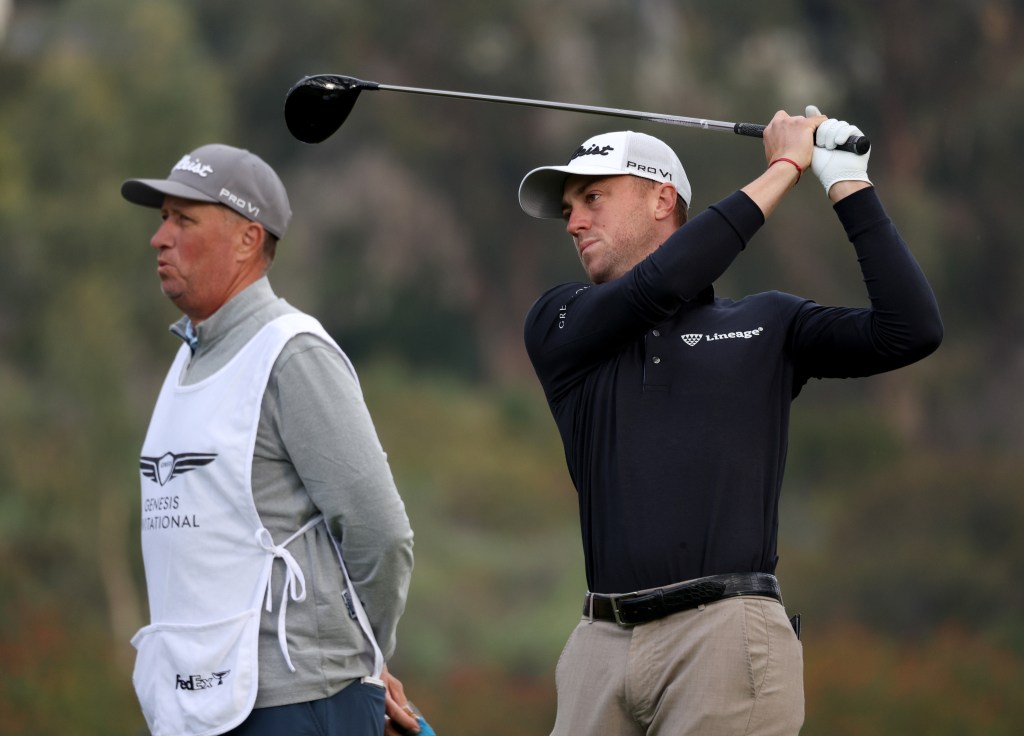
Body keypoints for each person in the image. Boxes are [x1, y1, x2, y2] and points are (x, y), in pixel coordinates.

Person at [516, 108, 943, 735]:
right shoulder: (561, 320)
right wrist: (784, 168)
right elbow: (656, 285)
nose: (575, 221)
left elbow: (910, 330)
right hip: (598, 647)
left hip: (725, 636)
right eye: (569, 209)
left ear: (662, 200)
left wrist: (846, 180)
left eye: (594, 197)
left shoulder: (767, 325)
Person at [122, 143, 423, 736]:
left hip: (295, 705)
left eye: (184, 219)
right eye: (163, 219)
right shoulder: (187, 360)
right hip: (197, 708)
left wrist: (360, 663)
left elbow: (382, 535)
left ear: (247, 240)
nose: (160, 238)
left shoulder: (292, 354)